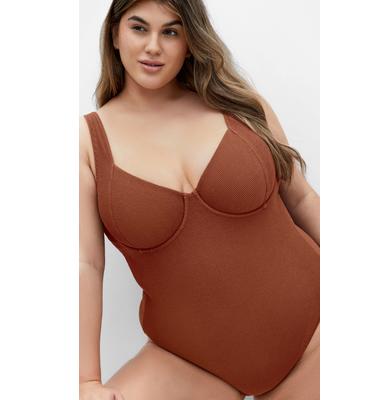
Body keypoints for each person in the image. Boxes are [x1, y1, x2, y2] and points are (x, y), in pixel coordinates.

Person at [79, 0, 320, 399]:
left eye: (171, 32)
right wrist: (86, 380)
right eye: (139, 28)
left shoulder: (239, 105)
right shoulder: (86, 144)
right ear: (115, 35)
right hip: (189, 365)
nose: (153, 46)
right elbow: (85, 265)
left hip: (318, 333)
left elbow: (303, 201)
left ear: (190, 41)